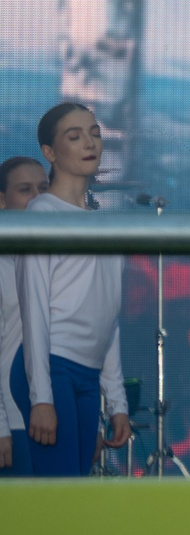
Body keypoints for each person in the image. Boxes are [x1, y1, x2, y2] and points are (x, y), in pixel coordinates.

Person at [12, 105, 132, 477]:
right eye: (74, 136)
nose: (89, 143)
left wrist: (117, 403)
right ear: (49, 152)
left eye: (94, 133)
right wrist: (41, 397)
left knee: (76, 488)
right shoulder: (42, 213)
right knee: (60, 491)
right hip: (51, 366)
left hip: (87, 374)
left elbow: (108, 318)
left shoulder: (107, 226)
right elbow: (33, 310)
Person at [1, 153, 44, 472]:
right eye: (25, 189)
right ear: (2, 200)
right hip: (14, 425)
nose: (37, 198)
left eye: (43, 188)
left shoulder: (59, 261)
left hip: (60, 416)